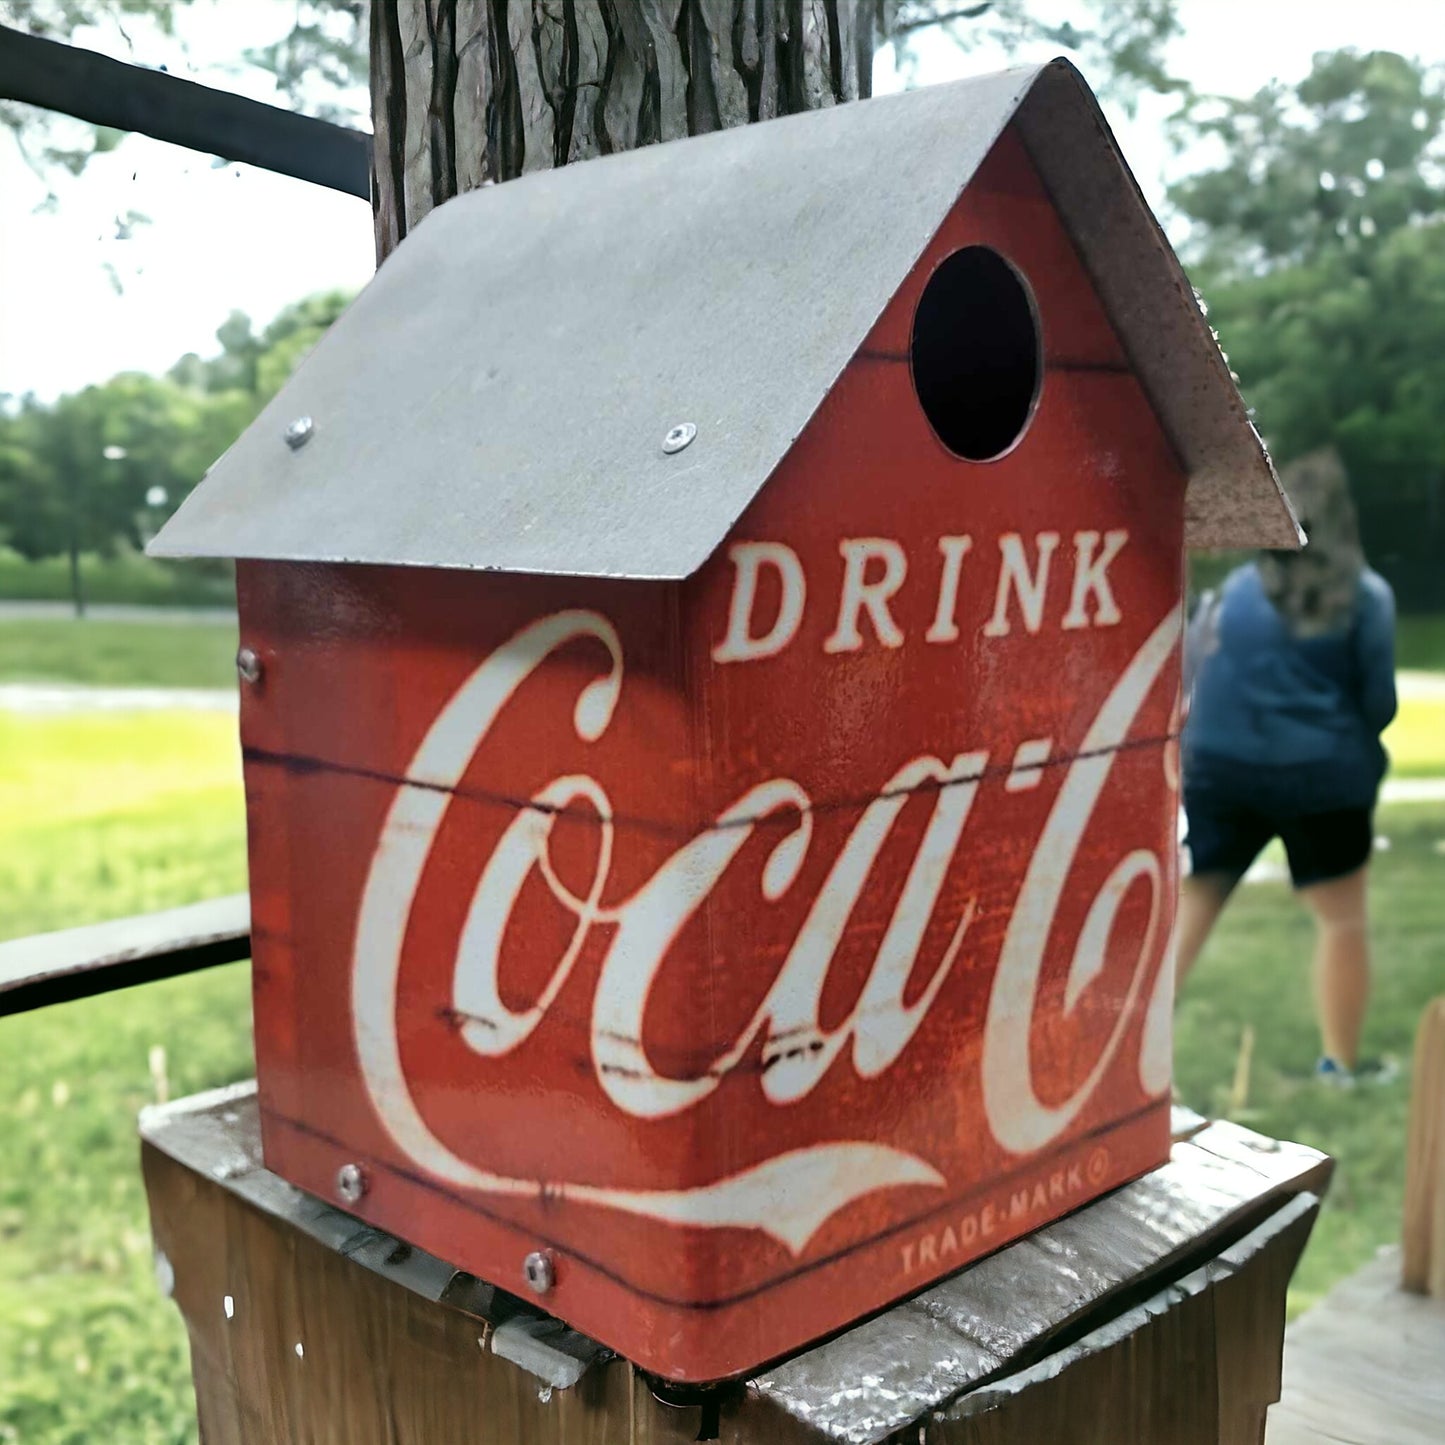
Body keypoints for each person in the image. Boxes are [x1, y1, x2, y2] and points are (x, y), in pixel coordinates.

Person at [1176, 448, 1397, 1084]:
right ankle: (1340, 1066)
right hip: (1323, 779)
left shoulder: (1233, 594)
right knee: (1342, 920)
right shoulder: (1367, 598)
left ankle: (1128, 1048)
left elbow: (1192, 677)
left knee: (1196, 900)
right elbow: (1378, 704)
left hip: (1219, 770)